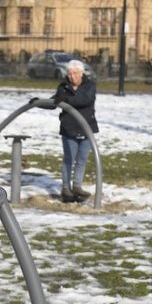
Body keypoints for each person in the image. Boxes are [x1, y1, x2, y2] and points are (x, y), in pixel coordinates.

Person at [51, 59, 98, 203]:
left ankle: (77, 186)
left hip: (86, 128)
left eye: (75, 73)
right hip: (69, 128)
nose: (72, 76)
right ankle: (66, 188)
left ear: (82, 73)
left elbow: (85, 100)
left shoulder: (89, 86)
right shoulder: (63, 87)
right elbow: (55, 101)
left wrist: (66, 100)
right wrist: (36, 102)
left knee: (82, 159)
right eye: (70, 73)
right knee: (69, 159)